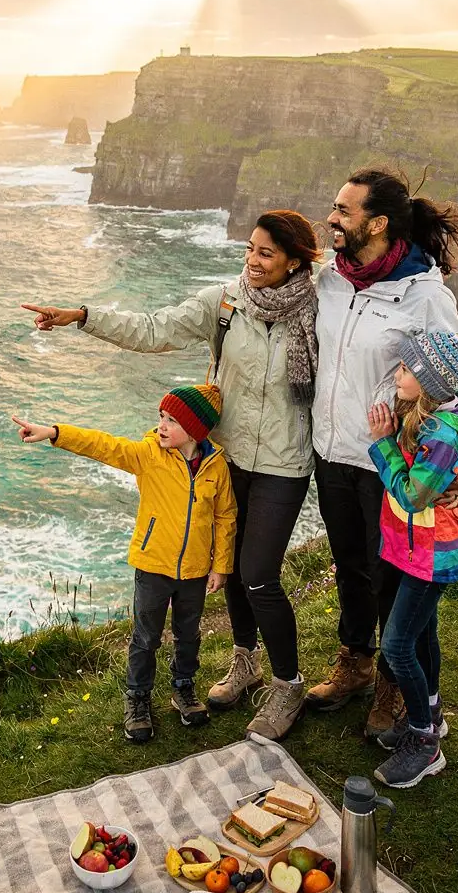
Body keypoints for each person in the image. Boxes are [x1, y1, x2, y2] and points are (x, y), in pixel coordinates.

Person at [21, 208, 322, 743]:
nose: (251, 260)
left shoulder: (324, 307)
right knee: (227, 568)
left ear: (295, 263)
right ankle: (244, 660)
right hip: (223, 459)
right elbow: (154, 329)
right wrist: (82, 317)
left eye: (265, 253)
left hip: (283, 461)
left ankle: (287, 683)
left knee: (258, 576)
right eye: (249, 249)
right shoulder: (226, 303)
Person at [307, 167, 458, 738]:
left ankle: (392, 684)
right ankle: (354, 665)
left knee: (389, 577)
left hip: (390, 461)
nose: (331, 219)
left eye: (344, 211)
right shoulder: (332, 280)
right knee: (350, 570)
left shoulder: (425, 294)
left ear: (379, 223)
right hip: (330, 449)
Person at [12, 383, 235, 744]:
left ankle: (183, 688)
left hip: (194, 570)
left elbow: (226, 517)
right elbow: (104, 445)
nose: (161, 426)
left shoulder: (216, 467)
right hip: (152, 567)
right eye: (161, 417)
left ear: (195, 430)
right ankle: (138, 699)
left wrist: (220, 565)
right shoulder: (149, 455)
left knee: (188, 635)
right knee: (146, 638)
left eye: (172, 420)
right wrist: (55, 433)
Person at [366, 327, 458, 788]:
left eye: (406, 369)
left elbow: (412, 496)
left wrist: (381, 443)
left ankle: (424, 743)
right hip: (414, 549)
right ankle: (430, 718)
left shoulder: (440, 436)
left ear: (431, 381)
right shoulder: (427, 415)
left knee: (397, 645)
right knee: (421, 639)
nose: (397, 374)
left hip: (430, 554)